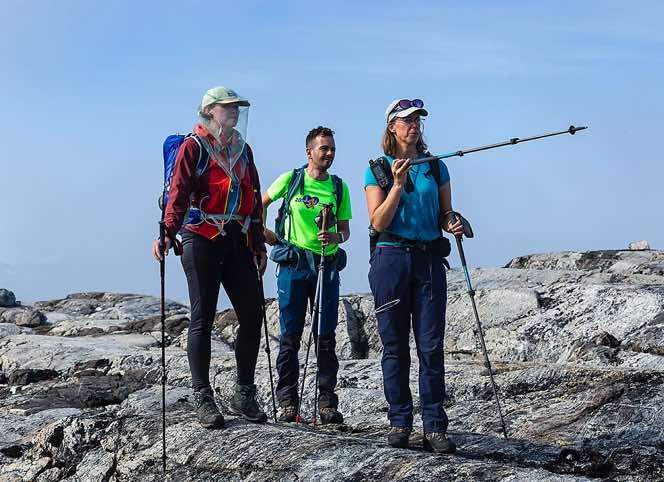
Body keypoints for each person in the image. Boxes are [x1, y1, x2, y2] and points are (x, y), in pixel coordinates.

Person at [153, 86, 268, 429]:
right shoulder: (194, 146)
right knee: (202, 316)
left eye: (237, 108)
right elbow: (179, 193)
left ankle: (243, 393)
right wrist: (167, 232)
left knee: (251, 314)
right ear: (209, 111)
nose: (233, 112)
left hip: (236, 238)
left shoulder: (242, 150)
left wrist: (258, 245)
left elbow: (254, 198)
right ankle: (202, 396)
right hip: (201, 236)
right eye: (227, 107)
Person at [364, 99, 465, 453]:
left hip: (427, 260)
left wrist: (452, 221)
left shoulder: (435, 166)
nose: (414, 126)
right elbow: (377, 222)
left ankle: (435, 426)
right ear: (392, 126)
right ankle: (400, 421)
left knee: (431, 346)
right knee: (394, 346)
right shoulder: (377, 170)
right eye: (406, 121)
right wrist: (396, 184)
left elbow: (444, 211)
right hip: (391, 257)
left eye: (418, 120)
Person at [262, 126, 351, 424]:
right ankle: (287, 401)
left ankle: (327, 402)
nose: (329, 153)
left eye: (332, 149)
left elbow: (345, 231)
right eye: (323, 148)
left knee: (325, 336)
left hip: (326, 263)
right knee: (290, 336)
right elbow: (261, 203)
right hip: (294, 264)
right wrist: (265, 234)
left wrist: (334, 237)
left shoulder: (339, 187)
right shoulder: (292, 180)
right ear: (309, 152)